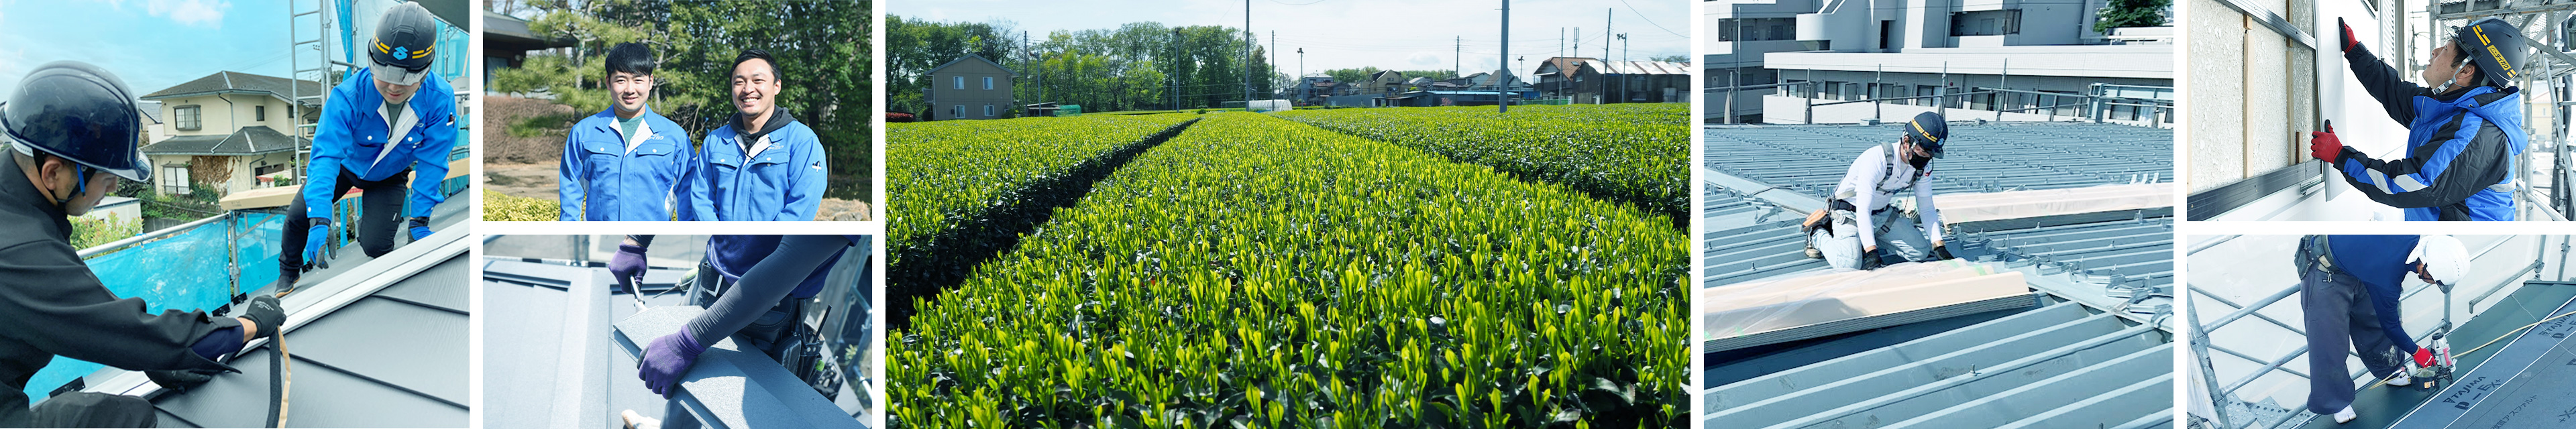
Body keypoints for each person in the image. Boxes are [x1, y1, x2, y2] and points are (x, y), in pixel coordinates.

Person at [0, 60, 286, 428]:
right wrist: (248, 325)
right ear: (53, 172)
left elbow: (80, 298)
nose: (115, 189)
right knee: (127, 419)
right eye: (107, 178)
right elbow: (119, 328)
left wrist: (155, 358)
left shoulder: (18, 208)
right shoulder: (18, 251)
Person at [275, 2, 460, 291]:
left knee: (376, 246)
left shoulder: (440, 99)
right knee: (298, 216)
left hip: (389, 176)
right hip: (345, 167)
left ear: (424, 71)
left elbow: (433, 162)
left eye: (407, 79)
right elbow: (325, 157)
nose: (394, 88)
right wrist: (321, 217)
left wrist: (420, 220)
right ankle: (288, 271)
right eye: (384, 76)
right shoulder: (347, 96)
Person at [608, 235, 864, 429]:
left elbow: (790, 262)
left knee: (729, 410)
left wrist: (687, 342)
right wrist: (637, 240)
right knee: (685, 392)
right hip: (709, 276)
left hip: (761, 313)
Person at [2310, 17, 2528, 221]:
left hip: (2460, 249)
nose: (2435, 52)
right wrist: (2354, 51)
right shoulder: (2449, 105)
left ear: (2465, 71)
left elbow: (2410, 184)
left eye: (2445, 49)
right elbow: (2394, 92)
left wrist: (2342, 157)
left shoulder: (2478, 136)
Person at [2296, 235, 2465, 423]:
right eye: (2436, 280)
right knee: (2329, 341)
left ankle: (2390, 370)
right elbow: (2391, 326)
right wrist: (2418, 352)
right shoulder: (2387, 277)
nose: (2434, 283)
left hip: (2361, 265)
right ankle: (2337, 401)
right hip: (2325, 269)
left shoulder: (2414, 240)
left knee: (2373, 319)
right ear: (2424, 266)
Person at [682, 49, 826, 221]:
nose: (748, 89)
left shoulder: (802, 140)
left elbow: (802, 205)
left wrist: (762, 246)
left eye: (758, 80)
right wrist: (720, 243)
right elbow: (701, 200)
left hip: (774, 247)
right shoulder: (715, 141)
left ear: (777, 86)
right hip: (720, 247)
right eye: (739, 82)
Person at [561, 42, 695, 221]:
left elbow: (688, 195)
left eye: (638, 80)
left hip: (653, 243)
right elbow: (571, 189)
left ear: (651, 82)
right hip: (599, 242)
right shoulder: (584, 133)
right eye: (621, 80)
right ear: (609, 82)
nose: (630, 90)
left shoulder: (674, 137)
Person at [1806, 111, 1951, 270]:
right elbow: (1863, 209)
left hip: (1881, 214)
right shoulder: (1878, 159)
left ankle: (1865, 237)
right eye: (1923, 153)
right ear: (1907, 141)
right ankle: (1817, 233)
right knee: (1849, 264)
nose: (1926, 159)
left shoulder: (1923, 168)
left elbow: (1927, 208)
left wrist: (1939, 245)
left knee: (1920, 252)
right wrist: (1871, 252)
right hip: (1850, 212)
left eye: (1931, 155)